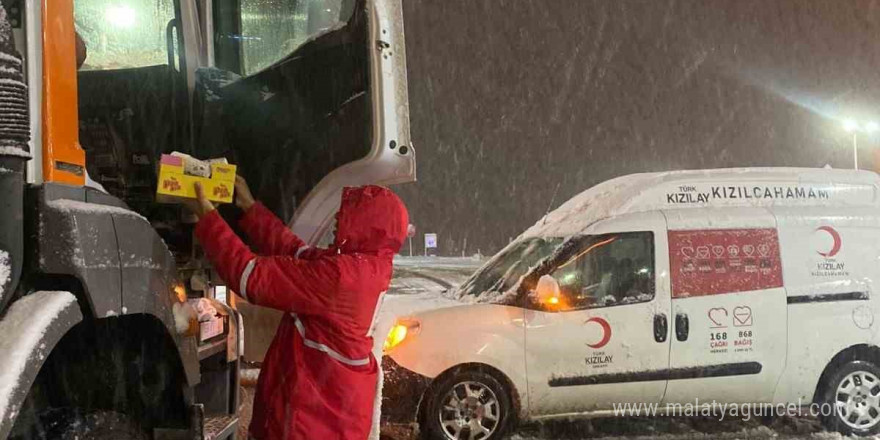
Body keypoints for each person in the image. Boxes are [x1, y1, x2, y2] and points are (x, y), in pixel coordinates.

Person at [185, 176, 408, 440]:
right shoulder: (367, 266)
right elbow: (296, 252)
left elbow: (249, 276)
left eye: (347, 215)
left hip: (312, 416)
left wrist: (207, 216)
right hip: (329, 410)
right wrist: (250, 207)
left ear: (367, 225)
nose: (337, 220)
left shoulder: (342, 278)